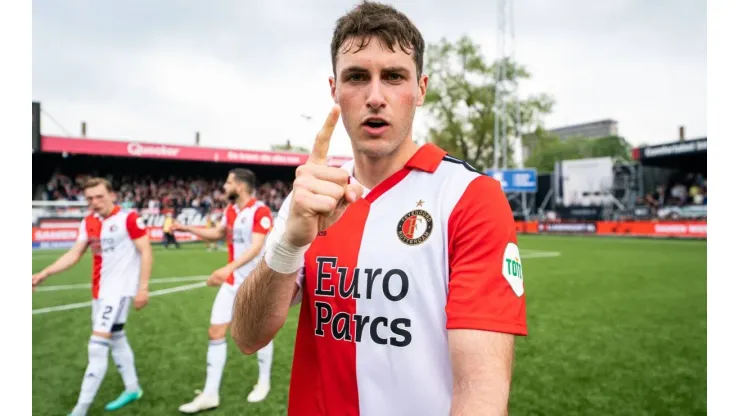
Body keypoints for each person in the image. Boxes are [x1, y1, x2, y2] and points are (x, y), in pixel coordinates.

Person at [230, 2, 528, 415]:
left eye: (393, 76)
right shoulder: (311, 198)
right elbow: (247, 336)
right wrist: (290, 243)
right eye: (356, 77)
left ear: (420, 88)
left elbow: (480, 390)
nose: (374, 97)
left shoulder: (469, 197)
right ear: (334, 89)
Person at [32, 177, 153, 416]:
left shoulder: (128, 218)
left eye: (100, 196)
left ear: (112, 195)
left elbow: (146, 250)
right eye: (90, 198)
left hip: (118, 292)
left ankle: (80, 409)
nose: (95, 202)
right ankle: (133, 388)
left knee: (97, 347)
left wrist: (143, 287)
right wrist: (45, 273)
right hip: (99, 291)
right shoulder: (88, 222)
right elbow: (75, 253)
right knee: (117, 337)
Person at [173, 168, 275, 413]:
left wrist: (226, 267)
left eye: (228, 182)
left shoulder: (260, 211)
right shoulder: (231, 211)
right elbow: (217, 234)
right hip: (232, 282)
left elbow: (257, 246)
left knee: (258, 334)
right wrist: (188, 230)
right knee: (216, 330)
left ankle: (264, 381)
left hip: (256, 282)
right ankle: (210, 393)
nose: (224, 187)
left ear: (240, 186)